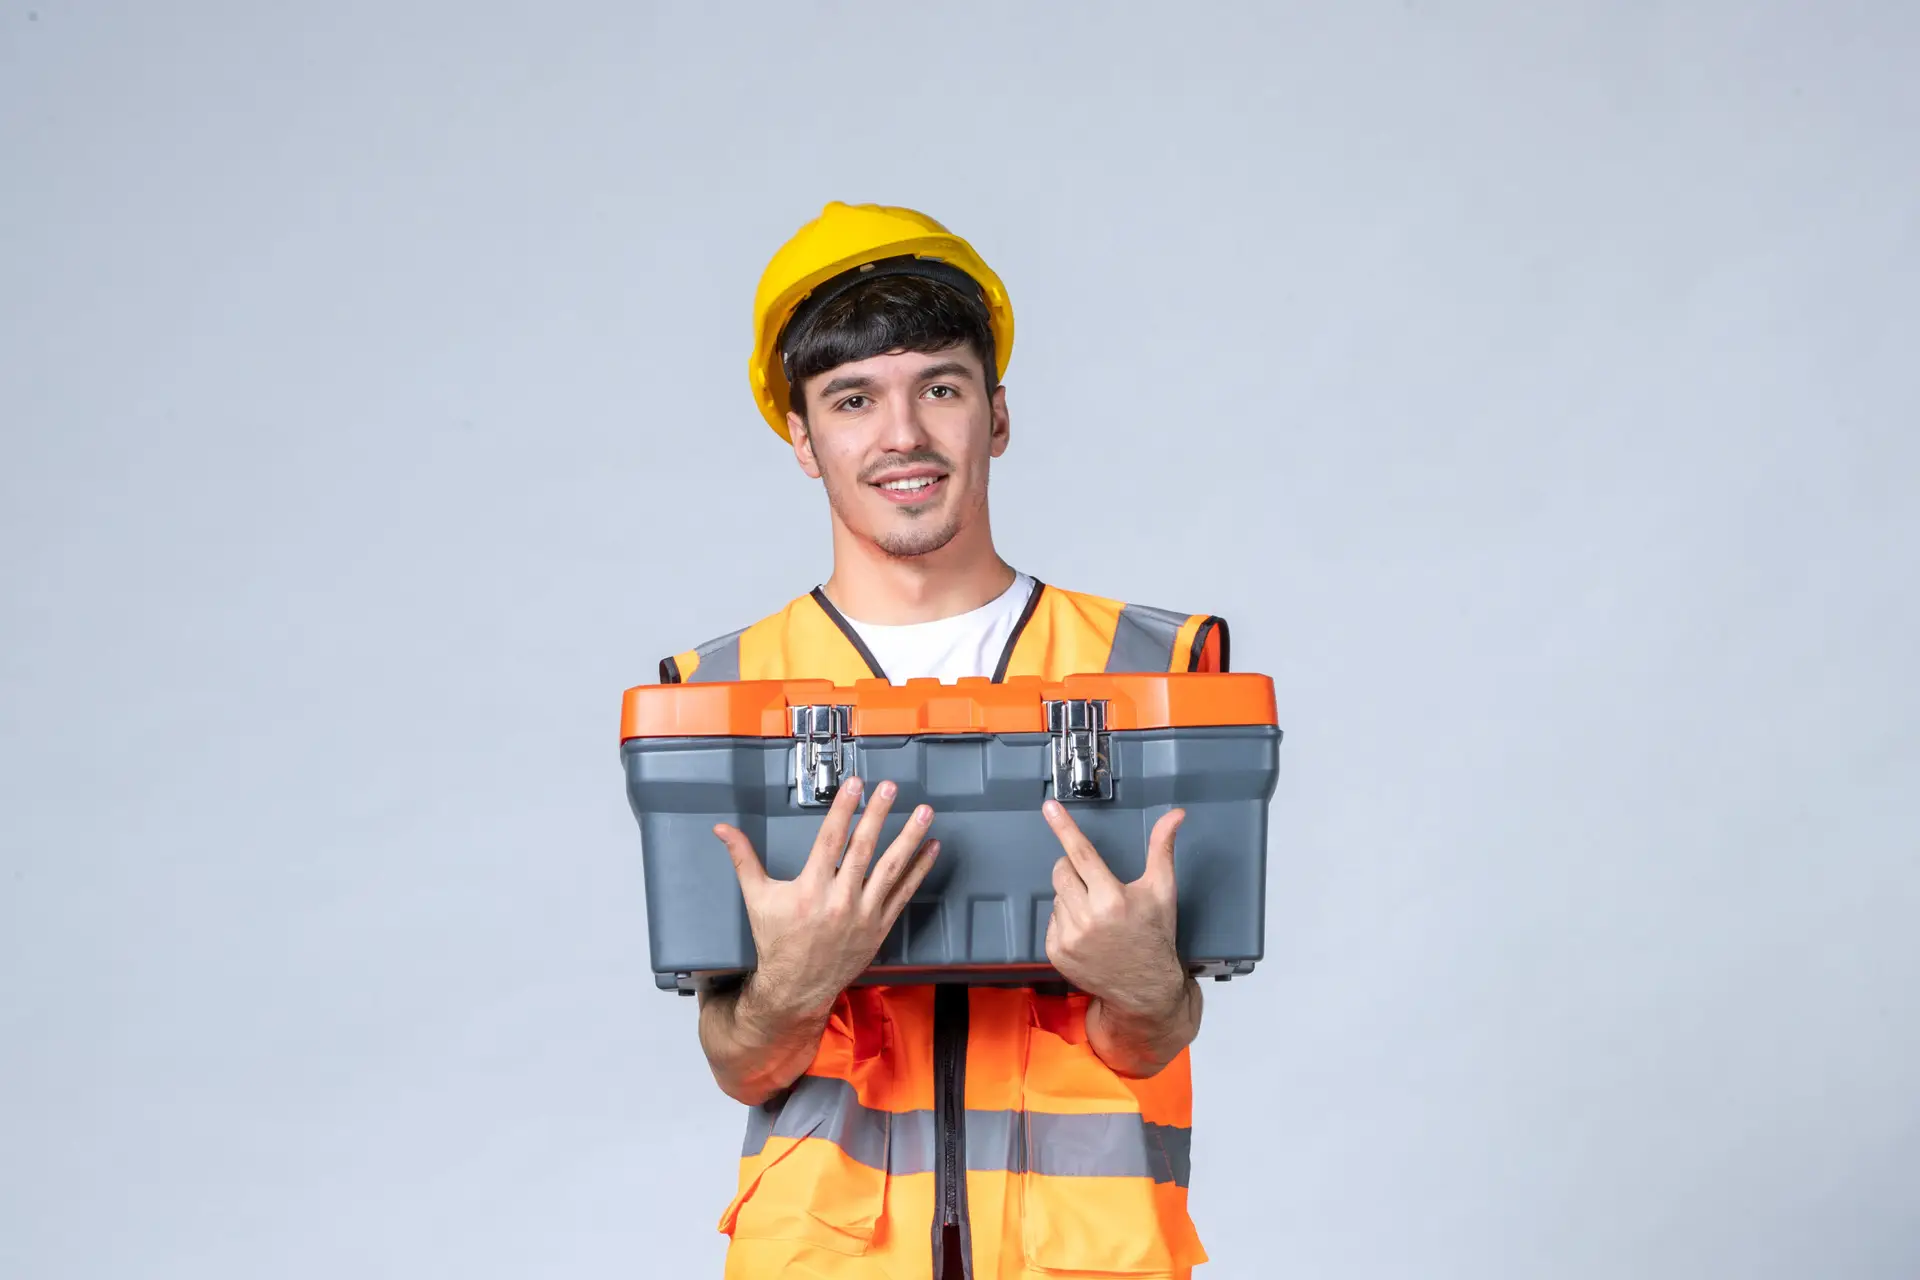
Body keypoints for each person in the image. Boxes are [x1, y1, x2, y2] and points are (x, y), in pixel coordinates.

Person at [659, 202, 1230, 1279]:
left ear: (997, 415)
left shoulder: (1153, 671)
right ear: (802, 437)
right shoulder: (723, 699)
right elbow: (742, 1059)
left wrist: (1141, 983)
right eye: (853, 398)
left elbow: (1152, 1032)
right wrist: (795, 982)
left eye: (941, 387)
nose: (903, 434)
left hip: (1087, 1259)